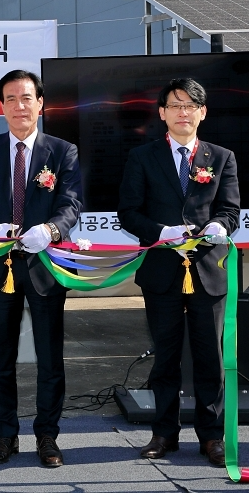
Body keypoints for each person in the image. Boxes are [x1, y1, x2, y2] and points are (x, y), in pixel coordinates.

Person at [0, 70, 82, 468]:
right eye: (11, 99)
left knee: (50, 358)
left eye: (26, 97)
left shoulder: (62, 152)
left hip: (46, 267)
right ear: (1, 106)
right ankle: (4, 436)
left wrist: (50, 229)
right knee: (2, 357)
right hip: (0, 266)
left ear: (40, 103)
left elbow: (70, 205)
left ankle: (47, 437)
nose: (19, 105)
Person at [118, 78, 240, 466]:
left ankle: (212, 436)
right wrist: (161, 232)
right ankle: (164, 433)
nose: (183, 112)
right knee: (166, 357)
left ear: (202, 113)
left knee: (210, 357)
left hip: (208, 271)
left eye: (191, 105)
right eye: (175, 105)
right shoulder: (142, 157)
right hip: (162, 271)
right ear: (162, 113)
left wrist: (222, 225)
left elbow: (230, 209)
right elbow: (128, 212)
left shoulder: (221, 157)